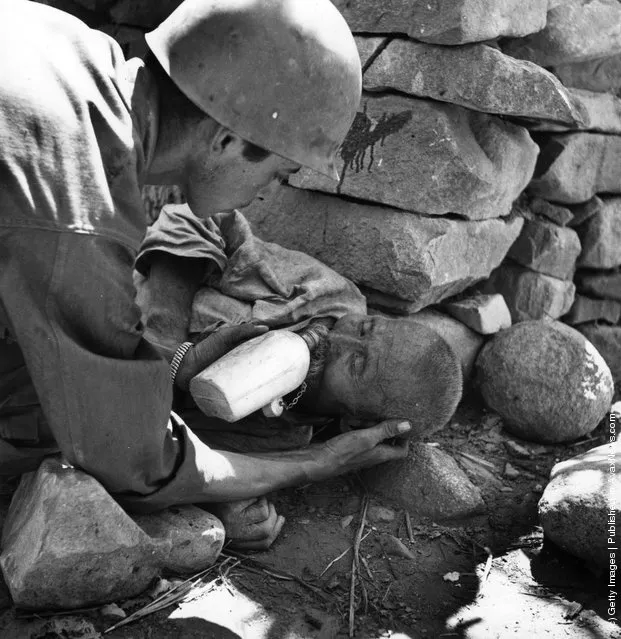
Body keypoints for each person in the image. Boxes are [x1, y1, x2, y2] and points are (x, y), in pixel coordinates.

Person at [0, 0, 412, 551]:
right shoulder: (80, 211)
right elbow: (134, 463)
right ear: (223, 140)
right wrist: (313, 463)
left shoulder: (57, 39)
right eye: (278, 171)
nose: (264, 193)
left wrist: (178, 365)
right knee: (44, 429)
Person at [135, 204, 464, 546]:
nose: (338, 337)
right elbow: (200, 217)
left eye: (356, 364)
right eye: (366, 327)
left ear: (354, 424)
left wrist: (225, 500)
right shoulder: (329, 300)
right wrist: (165, 339)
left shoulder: (278, 441)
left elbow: (158, 459)